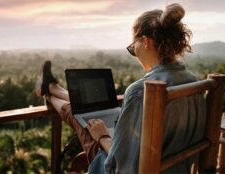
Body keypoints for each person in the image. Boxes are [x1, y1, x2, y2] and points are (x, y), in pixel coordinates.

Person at [35, 3, 206, 174]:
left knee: (79, 114)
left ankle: (49, 92)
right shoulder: (194, 83)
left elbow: (122, 166)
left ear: (145, 41)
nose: (135, 53)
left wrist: (102, 136)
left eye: (133, 47)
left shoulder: (140, 92)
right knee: (87, 109)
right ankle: (51, 88)